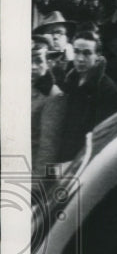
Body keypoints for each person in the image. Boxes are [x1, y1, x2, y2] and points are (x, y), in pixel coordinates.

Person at [54, 31, 117, 162]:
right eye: (77, 52)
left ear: (98, 56)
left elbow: (103, 135)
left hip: (85, 160)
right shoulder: (69, 82)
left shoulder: (107, 89)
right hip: (62, 155)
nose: (80, 58)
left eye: (87, 53)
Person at [31, 40, 64, 176]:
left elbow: (48, 146)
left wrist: (36, 187)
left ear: (49, 63)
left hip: (30, 170)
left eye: (38, 61)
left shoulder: (53, 95)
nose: (32, 66)